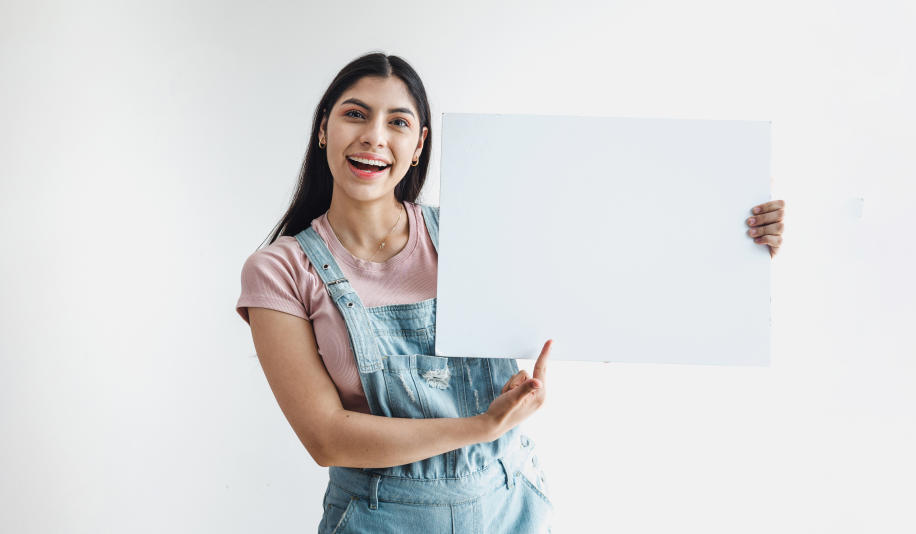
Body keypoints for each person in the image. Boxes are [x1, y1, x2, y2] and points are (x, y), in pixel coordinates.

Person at [235, 52, 786, 534]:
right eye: (355, 113)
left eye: (397, 121)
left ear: (420, 143)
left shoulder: (477, 233)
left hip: (511, 509)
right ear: (324, 129)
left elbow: (620, 278)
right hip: (380, 518)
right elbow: (327, 438)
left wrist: (737, 240)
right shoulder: (280, 270)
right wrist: (481, 427)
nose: (375, 136)